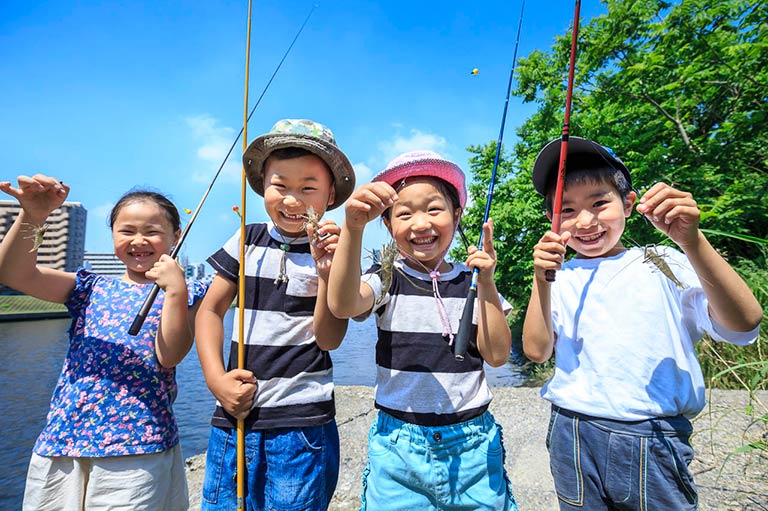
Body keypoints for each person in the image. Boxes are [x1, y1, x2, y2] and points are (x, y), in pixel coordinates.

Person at [522, 137, 763, 511]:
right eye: (566, 210)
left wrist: (692, 241)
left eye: (599, 203)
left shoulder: (662, 259)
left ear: (629, 204)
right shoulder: (561, 277)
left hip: (653, 435)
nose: (585, 221)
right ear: (553, 220)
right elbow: (536, 351)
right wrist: (542, 278)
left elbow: (744, 325)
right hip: (571, 430)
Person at [0, 175, 209, 511]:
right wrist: (33, 216)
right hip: (63, 438)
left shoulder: (186, 293)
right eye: (126, 231)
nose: (138, 240)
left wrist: (175, 289)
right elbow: (14, 274)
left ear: (176, 237)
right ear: (112, 235)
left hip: (138, 447)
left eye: (152, 231)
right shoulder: (88, 287)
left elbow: (170, 355)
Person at [327, 150, 519, 511]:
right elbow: (343, 304)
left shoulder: (473, 279)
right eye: (404, 213)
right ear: (386, 225)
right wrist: (352, 227)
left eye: (434, 209)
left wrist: (488, 284)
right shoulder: (387, 275)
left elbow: (496, 355)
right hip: (399, 446)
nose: (420, 224)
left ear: (457, 214)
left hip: (472, 442)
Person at [195, 119, 355, 511]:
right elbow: (210, 311)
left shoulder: (339, 250)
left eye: (308, 188)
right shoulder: (246, 238)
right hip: (234, 416)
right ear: (262, 185)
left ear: (330, 193)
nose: (292, 200)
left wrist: (326, 271)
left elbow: (330, 339)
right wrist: (217, 381)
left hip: (301, 424)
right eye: (279, 186)